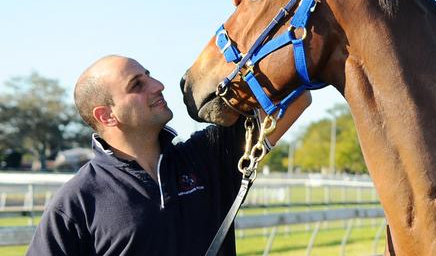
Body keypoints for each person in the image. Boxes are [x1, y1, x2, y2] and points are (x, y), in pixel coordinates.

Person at [26, 55, 310, 255]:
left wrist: (239, 53)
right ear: (106, 115)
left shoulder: (208, 155)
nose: (158, 85)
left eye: (149, 75)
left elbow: (295, 97)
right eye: (137, 84)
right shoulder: (76, 202)